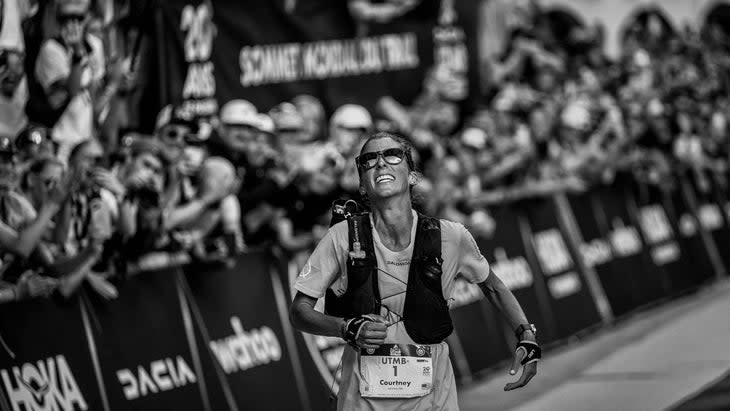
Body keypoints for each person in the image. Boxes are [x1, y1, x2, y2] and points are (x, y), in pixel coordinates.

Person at [290, 131, 540, 410]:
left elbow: (493, 286)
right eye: (369, 159)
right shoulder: (342, 237)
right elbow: (300, 311)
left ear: (412, 176)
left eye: (392, 155)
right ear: (362, 185)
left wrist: (526, 336)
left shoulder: (451, 236)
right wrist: (345, 327)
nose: (381, 163)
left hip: (434, 401)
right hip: (362, 403)